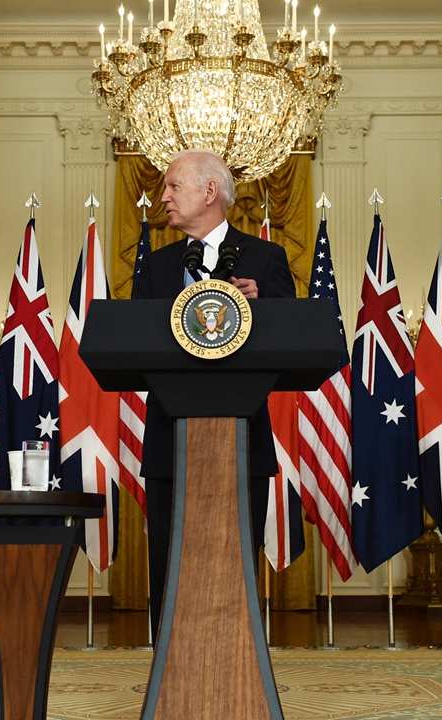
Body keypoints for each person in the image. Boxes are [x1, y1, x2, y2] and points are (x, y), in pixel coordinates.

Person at [131, 149, 295, 643]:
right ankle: (167, 666)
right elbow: (134, 344)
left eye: (173, 187)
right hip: (169, 442)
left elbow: (295, 341)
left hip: (242, 440)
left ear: (208, 193)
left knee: (234, 559)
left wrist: (260, 310)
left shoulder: (266, 259)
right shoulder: (157, 267)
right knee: (168, 560)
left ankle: (239, 664)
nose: (163, 198)